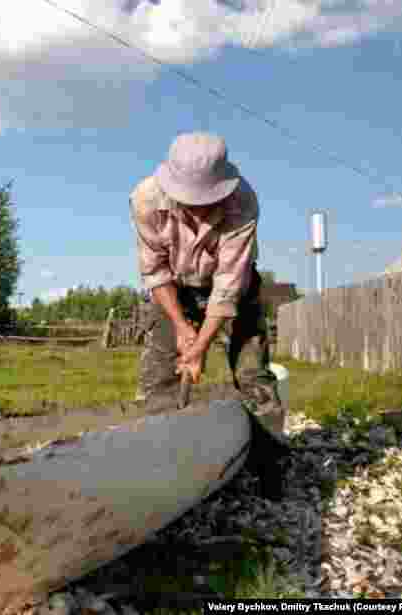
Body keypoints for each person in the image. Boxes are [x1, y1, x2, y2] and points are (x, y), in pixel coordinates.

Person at [129, 132, 288, 498]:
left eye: (207, 200)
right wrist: (183, 328)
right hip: (175, 289)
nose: (198, 208)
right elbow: (155, 272)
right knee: (156, 379)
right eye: (189, 201)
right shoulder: (145, 199)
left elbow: (228, 287)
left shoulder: (243, 202)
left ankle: (269, 473)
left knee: (252, 375)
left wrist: (199, 348)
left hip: (234, 289)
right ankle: (162, 471)